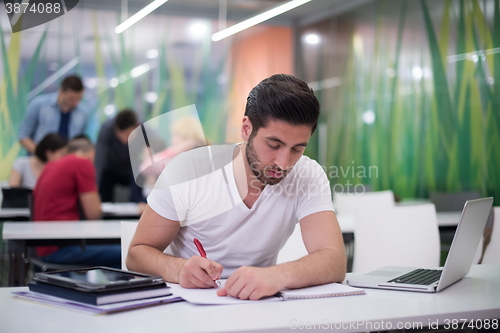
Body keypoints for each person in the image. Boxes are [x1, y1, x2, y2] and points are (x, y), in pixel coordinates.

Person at [127, 74, 346, 300]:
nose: (283, 162)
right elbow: (137, 254)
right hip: (191, 306)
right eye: (274, 144)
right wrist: (179, 269)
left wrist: (278, 275)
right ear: (246, 128)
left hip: (261, 304)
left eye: (297, 149)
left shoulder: (307, 173)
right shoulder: (189, 169)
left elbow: (333, 260)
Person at [32, 135, 121, 268]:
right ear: (92, 153)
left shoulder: (51, 165)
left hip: (42, 247)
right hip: (60, 248)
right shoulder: (82, 163)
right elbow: (94, 214)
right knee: (127, 253)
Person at [18, 75, 90, 154]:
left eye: (78, 99)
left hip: (67, 162)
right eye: (71, 99)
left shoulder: (83, 112)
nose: (75, 103)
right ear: (61, 91)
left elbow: (80, 141)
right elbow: (23, 135)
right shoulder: (38, 104)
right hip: (40, 162)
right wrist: (41, 155)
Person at [94, 109, 145, 203]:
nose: (124, 139)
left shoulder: (143, 130)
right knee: (103, 178)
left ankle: (138, 206)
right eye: (120, 134)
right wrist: (95, 184)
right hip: (111, 168)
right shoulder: (106, 128)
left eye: (128, 134)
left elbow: (152, 153)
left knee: (139, 171)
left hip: (131, 170)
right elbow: (99, 159)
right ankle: (105, 208)